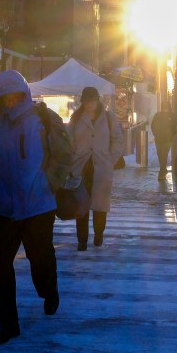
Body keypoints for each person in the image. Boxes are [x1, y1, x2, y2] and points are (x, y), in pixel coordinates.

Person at [0, 69, 72, 346]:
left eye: (16, 96)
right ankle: (8, 325)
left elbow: (64, 155)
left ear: (24, 93)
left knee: (40, 259)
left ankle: (49, 290)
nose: (11, 102)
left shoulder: (45, 118)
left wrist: (47, 184)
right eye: (5, 98)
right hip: (5, 208)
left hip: (39, 207)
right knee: (3, 268)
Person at [68, 86, 124, 251]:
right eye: (86, 101)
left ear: (97, 100)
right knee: (81, 205)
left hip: (101, 167)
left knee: (100, 206)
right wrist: (72, 159)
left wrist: (110, 160)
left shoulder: (108, 117)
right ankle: (82, 240)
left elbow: (118, 140)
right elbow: (69, 141)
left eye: (91, 101)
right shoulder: (76, 118)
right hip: (81, 167)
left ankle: (99, 234)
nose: (89, 105)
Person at [149, 103, 176, 178]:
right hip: (164, 139)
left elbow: (153, 126)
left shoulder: (158, 115)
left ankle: (161, 173)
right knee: (162, 155)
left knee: (162, 155)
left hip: (161, 139)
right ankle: (163, 169)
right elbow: (176, 127)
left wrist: (156, 134)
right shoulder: (171, 115)